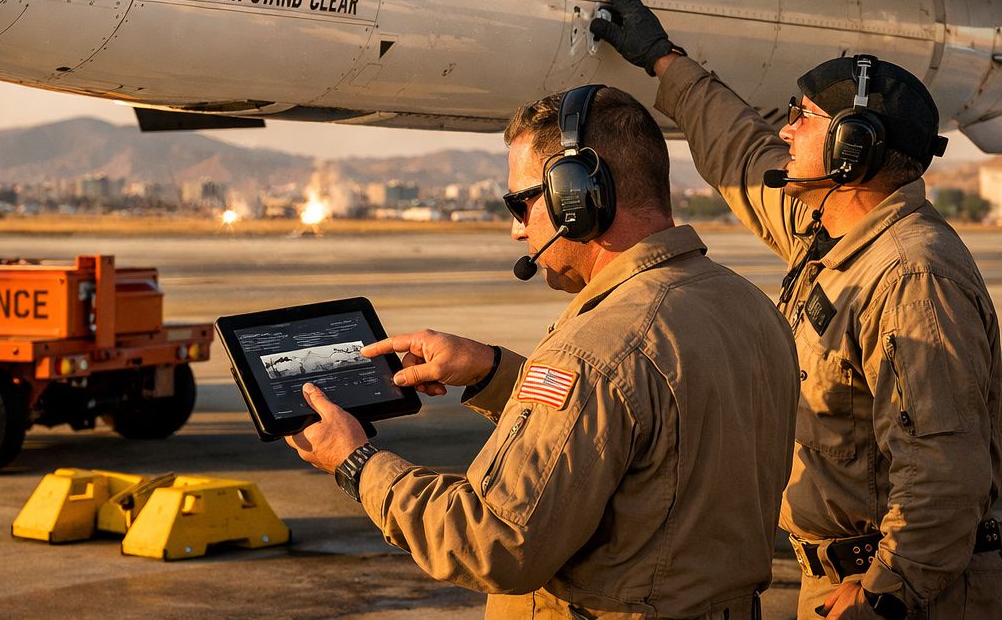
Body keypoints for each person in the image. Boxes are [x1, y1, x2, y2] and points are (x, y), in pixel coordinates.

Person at [284, 84, 798, 619]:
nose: (515, 230)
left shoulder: (598, 348)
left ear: (578, 199)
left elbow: (496, 545)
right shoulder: (749, 307)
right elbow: (640, 430)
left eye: (521, 204)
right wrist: (491, 371)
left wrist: (356, 462)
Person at [590, 0, 1002, 620]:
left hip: (904, 593)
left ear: (852, 148)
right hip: (847, 579)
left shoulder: (912, 276)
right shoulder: (831, 234)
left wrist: (886, 595)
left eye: (802, 117)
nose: (785, 131)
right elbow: (740, 149)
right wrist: (662, 59)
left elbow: (943, 472)